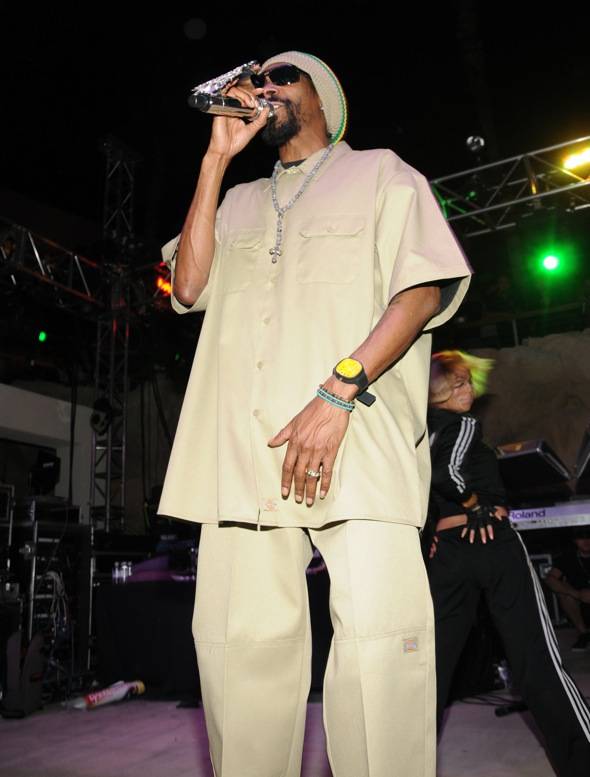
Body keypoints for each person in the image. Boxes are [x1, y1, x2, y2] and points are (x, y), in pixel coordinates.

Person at [158, 50, 471, 777]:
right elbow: (188, 287)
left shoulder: (382, 173)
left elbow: (422, 289)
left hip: (354, 433)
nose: (263, 88)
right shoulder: (236, 199)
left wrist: (340, 390)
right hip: (244, 453)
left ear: (323, 96)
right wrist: (215, 159)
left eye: (282, 77)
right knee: (240, 654)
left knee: (380, 651)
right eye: (257, 80)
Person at [427, 350, 590, 777]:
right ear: (438, 390)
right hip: (491, 539)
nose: (468, 390)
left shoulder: (422, 432)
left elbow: (424, 485)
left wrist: (431, 535)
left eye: (468, 382)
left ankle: (403, 760)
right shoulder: (463, 424)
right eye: (458, 383)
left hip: (448, 551)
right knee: (536, 656)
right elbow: (446, 475)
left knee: (433, 666)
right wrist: (475, 504)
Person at [546, 528, 590, 651]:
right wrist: (577, 594)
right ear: (575, 541)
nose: (586, 541)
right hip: (580, 607)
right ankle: (584, 634)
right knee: (564, 594)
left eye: (589, 537)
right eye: (581, 537)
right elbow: (550, 579)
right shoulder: (568, 558)